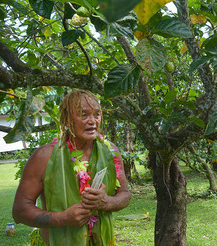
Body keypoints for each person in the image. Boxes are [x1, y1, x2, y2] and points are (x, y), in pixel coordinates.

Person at [12, 90, 131, 245]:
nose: (92, 121)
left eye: (97, 114)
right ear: (66, 120)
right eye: (84, 115)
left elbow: (125, 194)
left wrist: (106, 202)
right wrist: (62, 218)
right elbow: (19, 211)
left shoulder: (110, 153)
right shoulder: (44, 157)